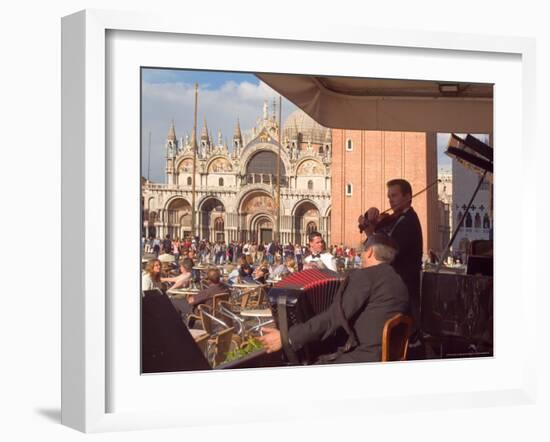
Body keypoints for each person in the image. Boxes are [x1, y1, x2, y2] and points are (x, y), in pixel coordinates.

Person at [259, 233, 409, 363]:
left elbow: (335, 317)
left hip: (364, 359)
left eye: (362, 252)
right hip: (388, 357)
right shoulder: (399, 280)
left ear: (369, 252)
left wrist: (288, 338)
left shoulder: (365, 276)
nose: (361, 255)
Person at [361, 178, 423, 342]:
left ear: (408, 196)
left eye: (394, 196)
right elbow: (378, 236)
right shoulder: (394, 219)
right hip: (392, 289)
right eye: (389, 197)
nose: (390, 200)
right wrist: (369, 217)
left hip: (402, 293)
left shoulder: (408, 222)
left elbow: (384, 253)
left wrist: (370, 232)